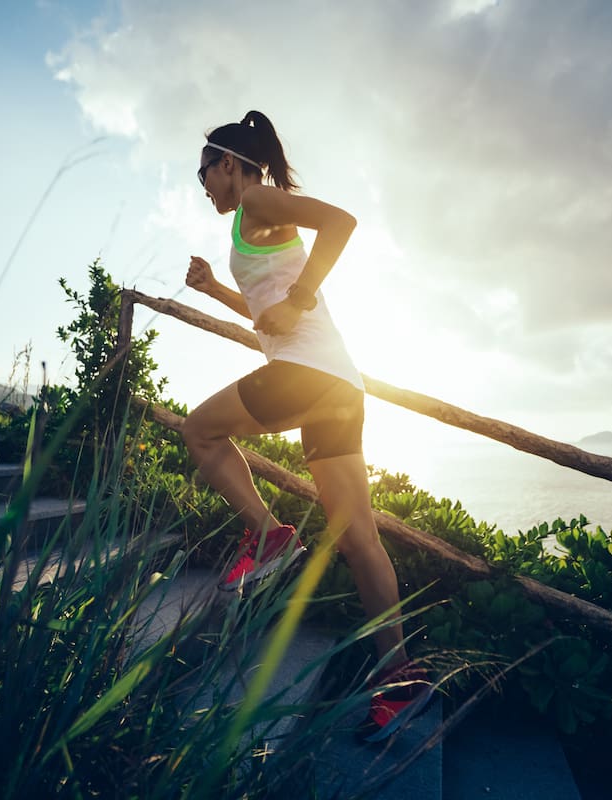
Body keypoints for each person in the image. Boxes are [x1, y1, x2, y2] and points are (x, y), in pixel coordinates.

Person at [182, 110, 431, 742]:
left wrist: (298, 300)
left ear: (229, 164)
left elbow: (341, 223)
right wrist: (215, 290)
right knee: (359, 540)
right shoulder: (248, 223)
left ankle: (269, 536)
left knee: (200, 430)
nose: (202, 184)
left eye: (203, 172)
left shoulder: (258, 199)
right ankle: (400, 678)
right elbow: (266, 316)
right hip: (337, 386)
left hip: (307, 374)